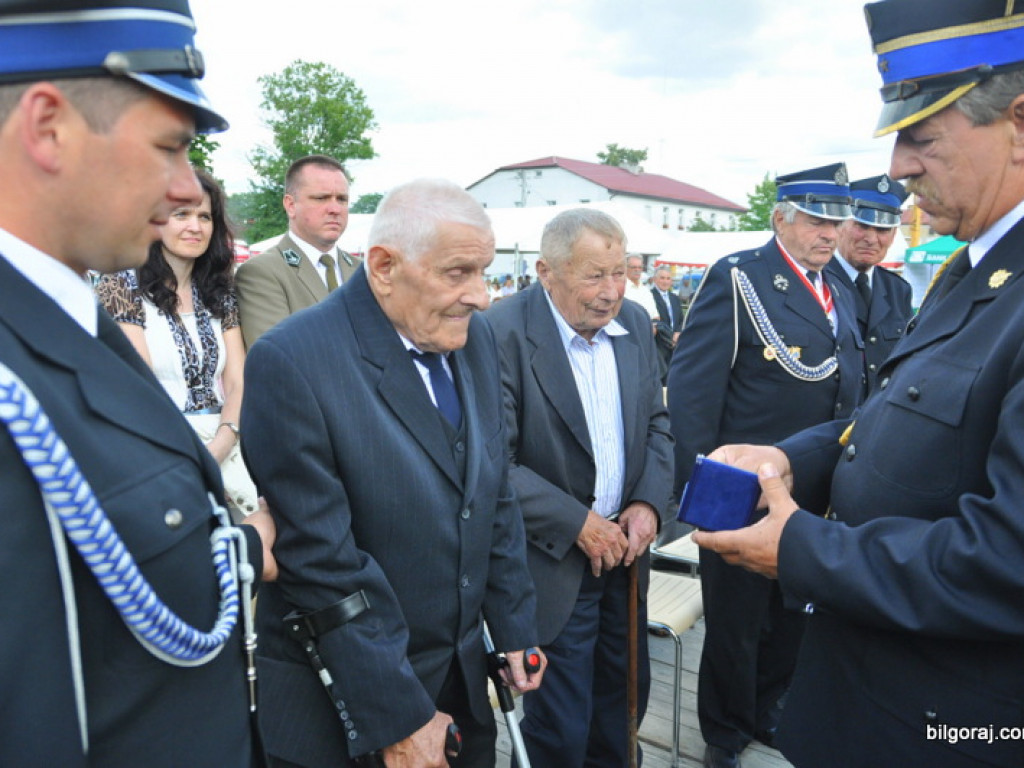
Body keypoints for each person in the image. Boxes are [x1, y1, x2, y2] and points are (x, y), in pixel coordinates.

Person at [693, 2, 1024, 767]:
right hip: (865, 702)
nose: (901, 166)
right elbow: (886, 418)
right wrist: (788, 460)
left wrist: (804, 549)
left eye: (923, 135)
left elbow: (1008, 563)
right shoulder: (971, 273)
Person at [0, 2, 276, 766]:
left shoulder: (68, 313)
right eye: (171, 146)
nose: (185, 188)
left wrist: (245, 552)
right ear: (49, 127)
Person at [241, 178, 544, 768]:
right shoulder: (293, 361)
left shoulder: (472, 338)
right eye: (459, 273)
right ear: (383, 265)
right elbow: (323, 566)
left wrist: (512, 623)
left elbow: (491, 492)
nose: (482, 296)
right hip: (350, 705)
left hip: (460, 687)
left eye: (484, 272)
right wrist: (399, 714)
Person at [667, 163, 865, 768]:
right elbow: (694, 392)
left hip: (815, 487)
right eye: (815, 219)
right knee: (735, 621)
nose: (829, 233)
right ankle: (724, 733)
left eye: (836, 220)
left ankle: (767, 710)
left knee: (794, 614)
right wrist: (703, 494)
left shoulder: (843, 289)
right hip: (744, 487)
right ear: (781, 217)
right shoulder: (741, 278)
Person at [485, 208, 673, 768]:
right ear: (546, 271)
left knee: (621, 716)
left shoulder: (636, 323)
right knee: (560, 733)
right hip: (552, 563)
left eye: (620, 272)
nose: (611, 291)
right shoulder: (499, 333)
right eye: (594, 275)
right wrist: (577, 524)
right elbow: (494, 463)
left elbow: (658, 426)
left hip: (626, 557)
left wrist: (647, 505)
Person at [96, 168, 258, 520]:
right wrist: (199, 454)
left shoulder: (220, 291)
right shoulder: (120, 285)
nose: (195, 227)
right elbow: (142, 384)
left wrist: (223, 442)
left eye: (204, 216)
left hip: (227, 440)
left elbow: (237, 381)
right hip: (158, 447)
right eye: (181, 214)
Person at [235, 154, 359, 347]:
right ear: (291, 205)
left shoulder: (363, 272)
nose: (335, 208)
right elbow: (277, 359)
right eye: (321, 198)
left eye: (342, 199)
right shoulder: (262, 272)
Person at [825, 174, 914, 391]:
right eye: (862, 226)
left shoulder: (897, 289)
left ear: (894, 235)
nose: (871, 239)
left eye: (882, 230)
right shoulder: (818, 279)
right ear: (840, 226)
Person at [650, 265, 684, 383]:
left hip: (674, 346)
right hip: (659, 345)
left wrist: (678, 332)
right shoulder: (649, 296)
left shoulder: (674, 298)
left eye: (668, 278)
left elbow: (681, 319)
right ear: (655, 279)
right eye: (662, 278)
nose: (665, 281)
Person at [624, 253, 661, 325]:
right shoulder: (621, 289)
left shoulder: (646, 290)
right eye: (633, 267)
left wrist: (653, 329)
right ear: (625, 268)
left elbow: (656, 316)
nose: (637, 270)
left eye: (640, 267)